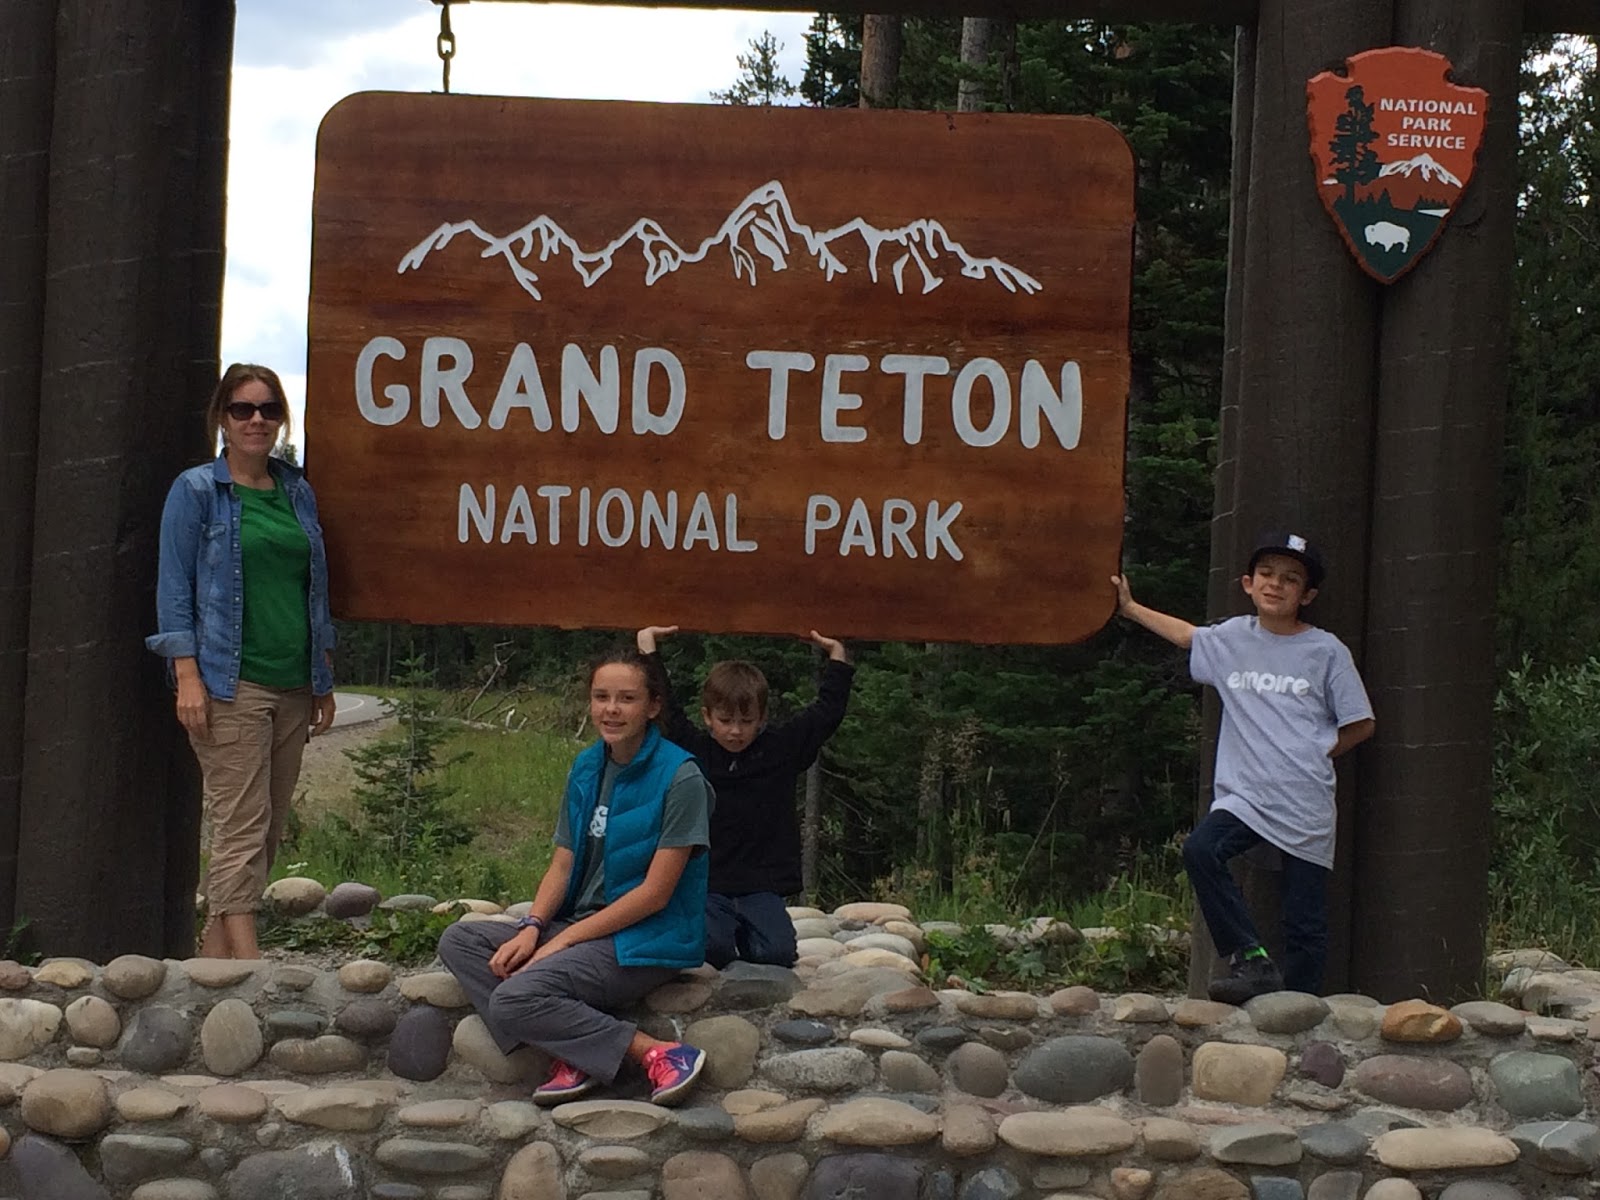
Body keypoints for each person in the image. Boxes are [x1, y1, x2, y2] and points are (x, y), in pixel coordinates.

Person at [437, 647, 713, 1107]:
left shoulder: (680, 776)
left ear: (653, 706)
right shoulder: (588, 766)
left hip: (646, 939)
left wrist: (560, 943)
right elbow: (562, 864)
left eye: (626, 698)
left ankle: (661, 1053)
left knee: (512, 999)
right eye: (601, 696)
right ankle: (577, 1053)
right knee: (459, 942)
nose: (611, 709)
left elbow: (655, 894)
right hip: (584, 928)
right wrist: (533, 927)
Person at [1112, 532, 1375, 1003]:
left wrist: (1316, 750)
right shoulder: (1233, 638)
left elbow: (1361, 723)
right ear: (1248, 584)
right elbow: (1186, 634)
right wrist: (1130, 608)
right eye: (1268, 575)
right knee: (1201, 850)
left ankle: (1299, 1011)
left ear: (1307, 595)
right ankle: (1249, 957)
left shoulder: (1326, 651)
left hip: (1305, 799)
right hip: (1245, 796)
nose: (1277, 585)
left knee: (1304, 920)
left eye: (1291, 579)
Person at [147, 364, 336, 959]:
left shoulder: (296, 490)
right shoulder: (198, 490)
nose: (257, 420)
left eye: (269, 409)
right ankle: (251, 969)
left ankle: (209, 970)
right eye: (242, 409)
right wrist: (186, 676)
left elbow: (313, 588)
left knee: (270, 826)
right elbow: (173, 587)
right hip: (229, 682)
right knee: (241, 824)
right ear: (222, 418)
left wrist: (322, 678)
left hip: (294, 682)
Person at [636, 625, 853, 970]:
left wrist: (838, 658)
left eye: (746, 721)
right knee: (712, 949)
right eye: (725, 720)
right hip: (708, 883)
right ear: (707, 718)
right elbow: (666, 711)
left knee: (776, 954)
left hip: (760, 886)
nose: (735, 731)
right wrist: (648, 651)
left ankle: (747, 935)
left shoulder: (780, 750)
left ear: (762, 719)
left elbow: (825, 714)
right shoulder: (694, 751)